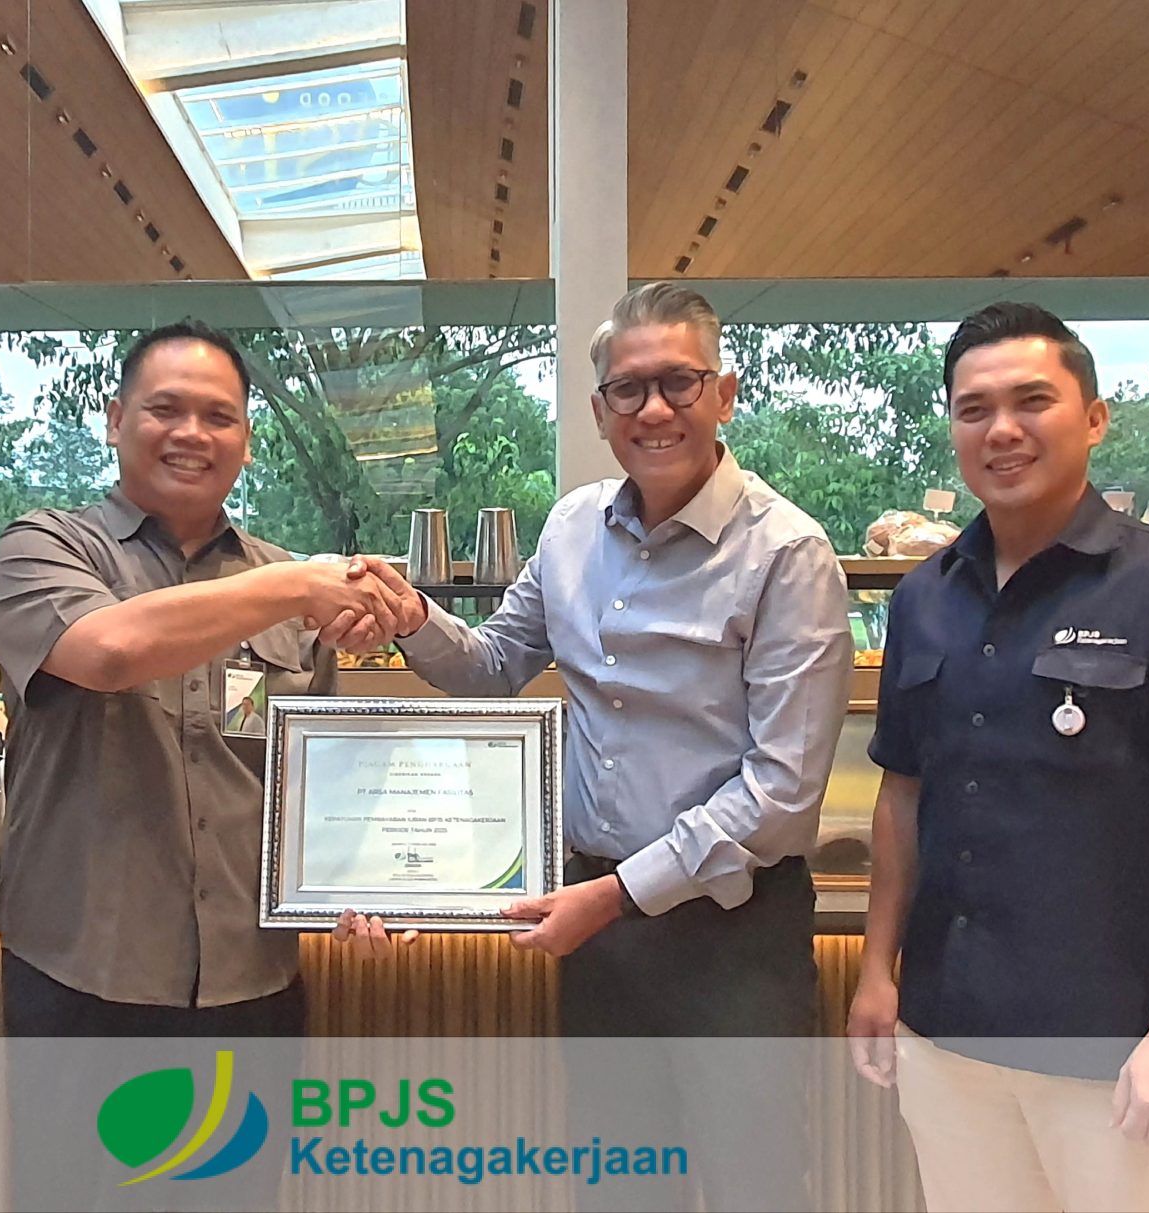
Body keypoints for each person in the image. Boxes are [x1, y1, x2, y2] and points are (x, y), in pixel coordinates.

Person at [355, 281, 852, 1211]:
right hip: (601, 931)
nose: (653, 408)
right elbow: (494, 665)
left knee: (753, 1189)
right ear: (598, 410)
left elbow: (781, 792)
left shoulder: (788, 552)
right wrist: (414, 614)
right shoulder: (571, 527)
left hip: (733, 936)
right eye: (629, 388)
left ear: (724, 393)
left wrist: (615, 895)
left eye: (679, 382)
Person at [847, 302, 1149, 1213]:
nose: (1001, 430)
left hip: (1114, 1047)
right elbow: (904, 791)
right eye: (974, 409)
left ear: (1093, 418)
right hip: (945, 1035)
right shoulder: (926, 596)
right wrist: (876, 969)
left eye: (1032, 401)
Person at [0, 319, 406, 1210]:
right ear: (114, 419)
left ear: (246, 438)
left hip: (251, 990)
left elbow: (316, 786)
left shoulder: (291, 586)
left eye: (219, 416)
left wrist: (371, 879)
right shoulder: (45, 549)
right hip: (83, 986)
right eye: (165, 409)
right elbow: (109, 652)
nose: (192, 433)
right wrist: (295, 585)